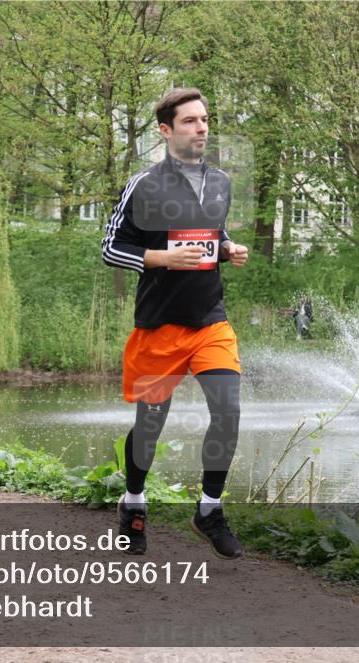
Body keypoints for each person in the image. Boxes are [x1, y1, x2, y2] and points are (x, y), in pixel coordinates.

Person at [101, 88, 249, 559]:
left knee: (228, 410)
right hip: (160, 325)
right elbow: (111, 249)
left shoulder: (221, 182)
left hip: (210, 321)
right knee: (150, 424)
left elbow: (214, 233)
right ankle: (134, 503)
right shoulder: (143, 185)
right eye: (190, 121)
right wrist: (163, 257)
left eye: (205, 120)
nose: (202, 128)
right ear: (166, 131)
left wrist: (228, 248)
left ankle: (209, 509)